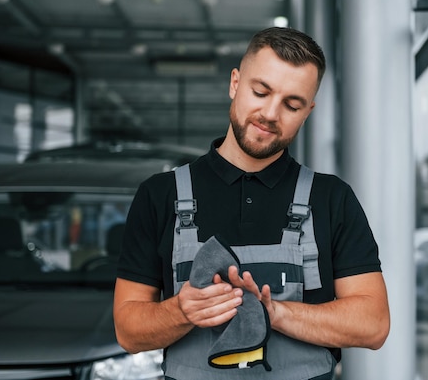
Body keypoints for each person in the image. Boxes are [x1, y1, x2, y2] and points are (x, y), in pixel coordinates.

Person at [113, 26, 390, 380]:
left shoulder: (331, 198)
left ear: (308, 111)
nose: (271, 114)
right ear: (234, 83)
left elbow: (374, 324)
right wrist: (183, 311)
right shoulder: (160, 195)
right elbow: (127, 330)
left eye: (292, 104)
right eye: (261, 91)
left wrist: (272, 312)